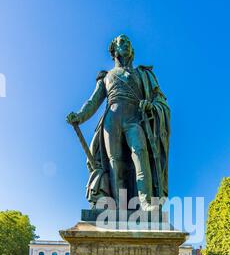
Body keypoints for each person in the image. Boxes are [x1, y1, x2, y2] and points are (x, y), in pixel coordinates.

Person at [67, 34, 170, 211]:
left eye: (129, 42)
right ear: (114, 49)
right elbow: (93, 102)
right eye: (123, 41)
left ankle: (144, 201)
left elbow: (158, 99)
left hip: (134, 119)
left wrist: (151, 106)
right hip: (111, 120)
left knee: (140, 154)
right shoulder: (106, 77)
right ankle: (119, 206)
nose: (127, 44)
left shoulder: (142, 74)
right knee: (115, 163)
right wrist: (79, 116)